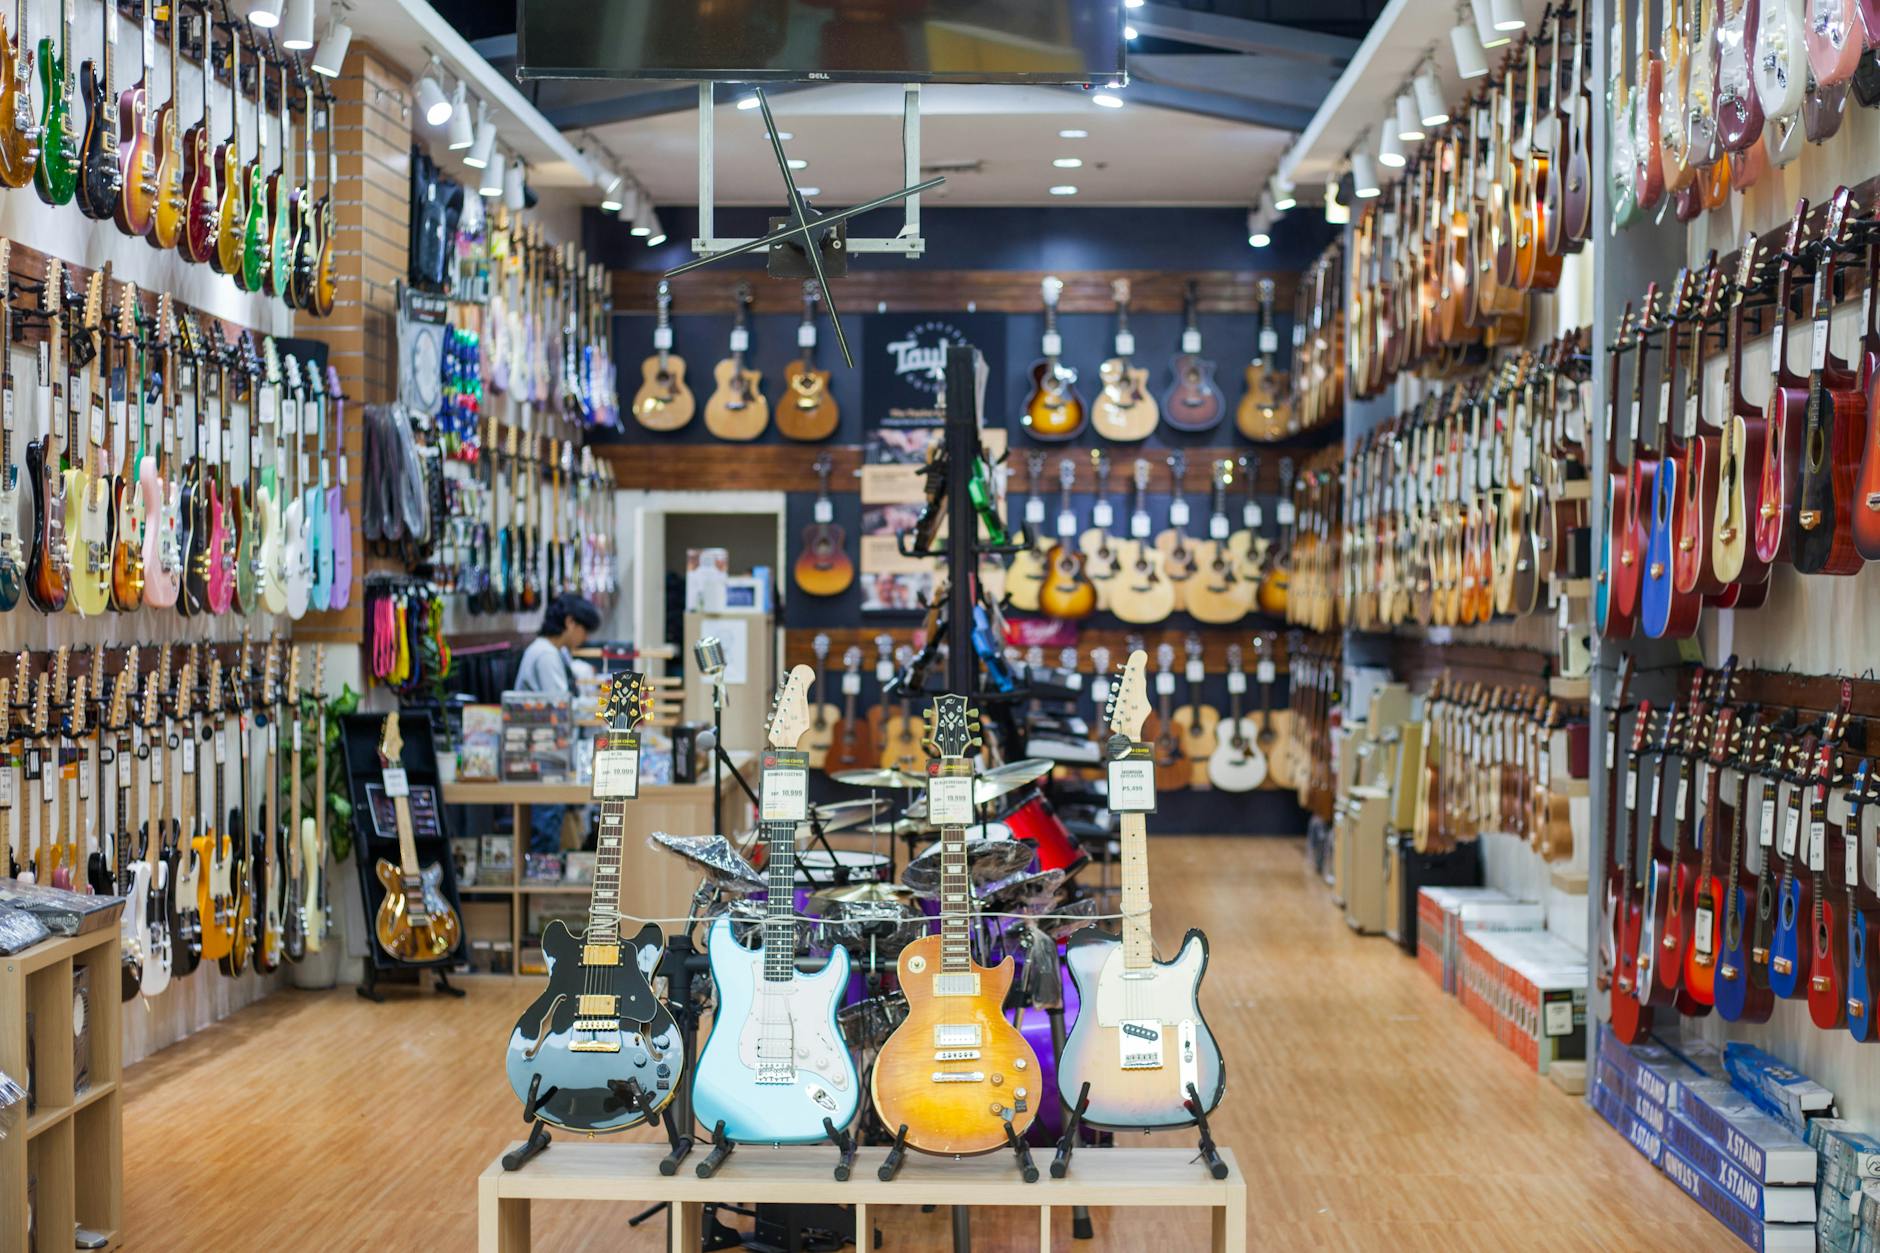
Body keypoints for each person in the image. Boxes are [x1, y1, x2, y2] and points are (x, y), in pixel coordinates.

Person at [514, 594, 603, 854]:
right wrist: (599, 707)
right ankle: (543, 876)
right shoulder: (545, 655)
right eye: (584, 629)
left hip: (548, 754)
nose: (584, 638)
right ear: (570, 622)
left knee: (551, 824)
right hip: (544, 757)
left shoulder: (551, 653)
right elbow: (561, 705)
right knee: (547, 829)